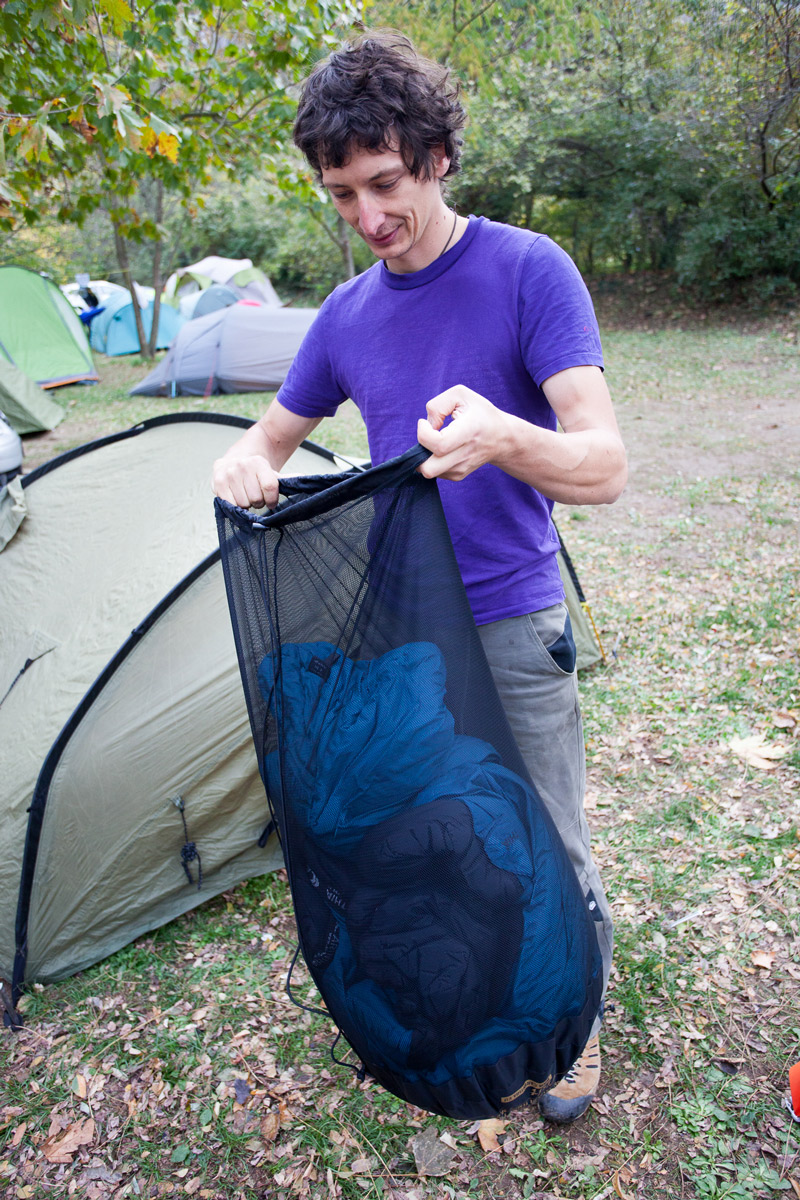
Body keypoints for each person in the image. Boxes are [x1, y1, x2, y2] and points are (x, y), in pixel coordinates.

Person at [212, 29, 627, 1123]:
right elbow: (266, 439)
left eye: (385, 183)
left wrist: (504, 436)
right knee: (454, 837)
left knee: (547, 837)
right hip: (405, 636)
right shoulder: (346, 316)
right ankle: (489, 1002)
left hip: (512, 619)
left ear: (437, 157)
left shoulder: (527, 270)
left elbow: (604, 466)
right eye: (341, 194)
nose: (367, 217)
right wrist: (243, 464)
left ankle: (574, 1028)